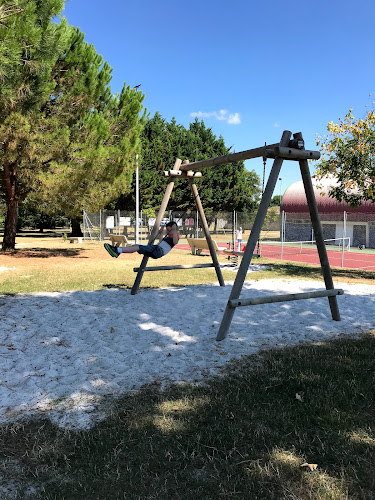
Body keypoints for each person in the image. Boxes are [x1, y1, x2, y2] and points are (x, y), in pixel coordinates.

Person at [104, 221, 179, 259]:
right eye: (167, 230)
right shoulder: (169, 236)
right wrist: (161, 233)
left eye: (169, 230)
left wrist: (174, 230)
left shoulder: (175, 235)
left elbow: (175, 242)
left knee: (138, 247)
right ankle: (118, 252)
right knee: (136, 246)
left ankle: (116, 250)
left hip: (158, 251)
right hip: (156, 249)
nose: (168, 232)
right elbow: (161, 242)